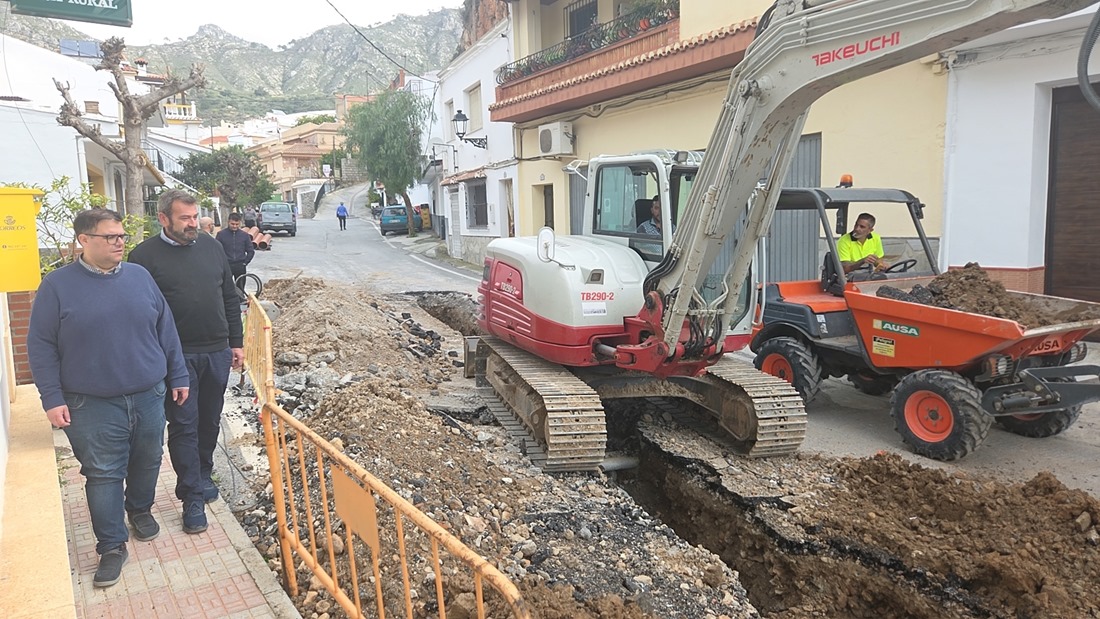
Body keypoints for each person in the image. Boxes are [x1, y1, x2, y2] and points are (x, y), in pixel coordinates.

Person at [27, 208, 189, 588]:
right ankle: (112, 546)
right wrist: (51, 397)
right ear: (85, 240)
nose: (120, 242)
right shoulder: (57, 285)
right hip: (91, 403)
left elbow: (166, 329)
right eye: (111, 237)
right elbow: (40, 345)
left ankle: (140, 509)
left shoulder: (139, 276)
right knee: (103, 475)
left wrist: (178, 374)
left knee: (149, 459)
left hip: (149, 393)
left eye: (121, 236)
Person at [129, 189, 244, 536]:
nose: (193, 224)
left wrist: (235, 343)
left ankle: (203, 473)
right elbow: (138, 314)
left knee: (209, 421)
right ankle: (191, 497)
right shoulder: (143, 257)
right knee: (183, 425)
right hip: (175, 359)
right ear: (163, 218)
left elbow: (228, 296)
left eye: (195, 217)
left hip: (216, 352)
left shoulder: (212, 246)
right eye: (185, 218)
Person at [215, 212, 255, 289]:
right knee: (225, 288)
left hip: (240, 265)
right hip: (226, 266)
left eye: (237, 224)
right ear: (228, 222)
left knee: (240, 289)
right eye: (232, 224)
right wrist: (221, 263)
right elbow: (216, 250)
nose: (234, 226)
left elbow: (251, 251)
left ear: (239, 223)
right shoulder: (221, 235)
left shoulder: (244, 235)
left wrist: (245, 263)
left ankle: (240, 301)